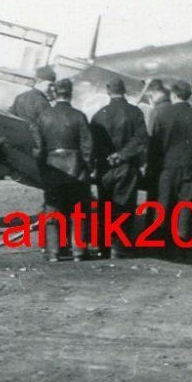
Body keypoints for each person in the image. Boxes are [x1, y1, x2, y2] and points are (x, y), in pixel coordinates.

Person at [146, 79, 192, 255]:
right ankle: (182, 244)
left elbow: (154, 147)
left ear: (173, 95)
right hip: (190, 169)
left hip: (166, 169)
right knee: (185, 206)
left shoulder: (162, 116)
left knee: (163, 205)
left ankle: (160, 243)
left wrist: (151, 169)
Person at [33, 78, 94, 262]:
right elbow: (87, 146)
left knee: (53, 210)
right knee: (78, 211)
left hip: (52, 168)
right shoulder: (79, 116)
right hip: (77, 168)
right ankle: (78, 251)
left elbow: (38, 148)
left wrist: (42, 168)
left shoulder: (44, 116)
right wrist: (87, 167)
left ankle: (54, 252)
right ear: (70, 93)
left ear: (54, 93)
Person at [90, 77, 148, 258]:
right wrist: (121, 155)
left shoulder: (99, 115)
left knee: (105, 206)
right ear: (124, 91)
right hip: (127, 167)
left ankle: (103, 246)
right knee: (125, 207)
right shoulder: (135, 113)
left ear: (108, 91)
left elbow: (93, 143)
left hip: (105, 168)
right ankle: (119, 247)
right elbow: (141, 140)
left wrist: (106, 157)